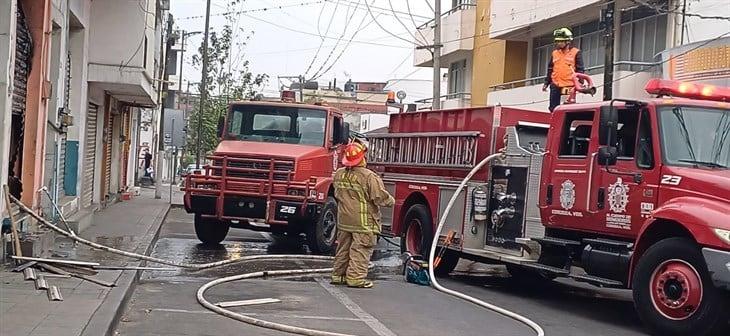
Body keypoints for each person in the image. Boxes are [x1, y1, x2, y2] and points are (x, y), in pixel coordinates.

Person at [331, 141, 394, 288]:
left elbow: (337, 193)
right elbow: (379, 197)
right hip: (363, 222)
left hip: (344, 221)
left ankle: (338, 276)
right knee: (360, 250)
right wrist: (392, 201)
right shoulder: (368, 176)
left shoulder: (339, 174)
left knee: (343, 250)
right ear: (362, 158)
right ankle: (355, 279)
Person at [542, 27, 585, 112]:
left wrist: (580, 82)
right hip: (555, 85)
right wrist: (546, 83)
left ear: (567, 41)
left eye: (561, 41)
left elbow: (580, 69)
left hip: (569, 85)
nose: (558, 43)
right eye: (557, 41)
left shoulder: (576, 52)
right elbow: (550, 69)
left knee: (567, 108)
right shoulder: (554, 53)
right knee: (553, 109)